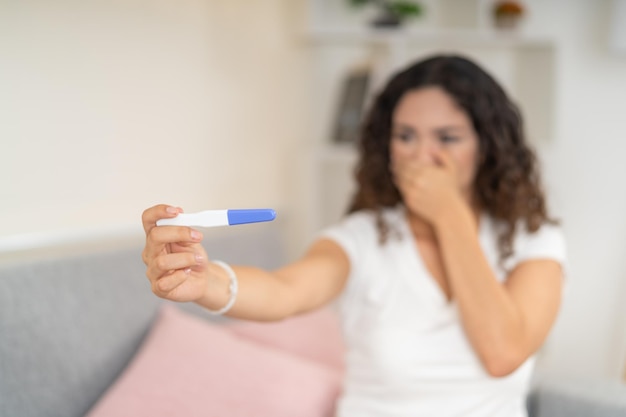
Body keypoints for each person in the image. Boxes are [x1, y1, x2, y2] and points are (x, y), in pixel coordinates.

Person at [141, 54, 567, 417]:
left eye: (447, 138)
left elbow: (503, 353)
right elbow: (285, 290)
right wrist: (206, 280)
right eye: (405, 136)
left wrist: (449, 216)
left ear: (488, 145)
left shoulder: (533, 238)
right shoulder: (362, 238)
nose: (422, 155)